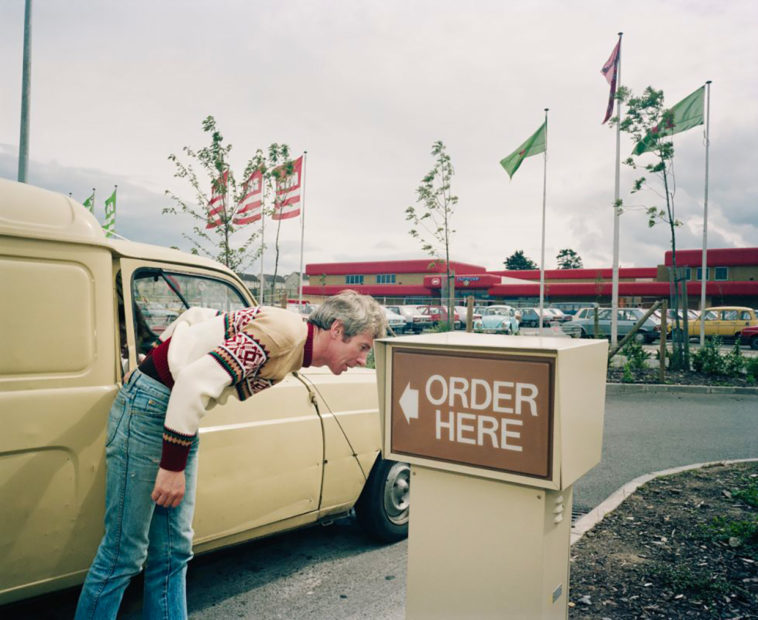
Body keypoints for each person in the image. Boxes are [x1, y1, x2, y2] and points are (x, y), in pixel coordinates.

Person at [75, 290, 386, 619]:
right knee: (123, 554)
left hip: (171, 411)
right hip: (154, 409)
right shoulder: (286, 333)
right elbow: (193, 383)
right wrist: (171, 466)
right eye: (363, 347)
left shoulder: (290, 333)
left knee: (173, 552)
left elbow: (197, 316)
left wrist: (151, 359)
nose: (363, 360)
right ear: (337, 330)